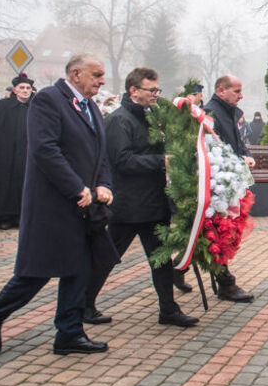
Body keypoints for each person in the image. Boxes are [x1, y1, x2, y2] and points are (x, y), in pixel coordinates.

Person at [0, 54, 119, 356]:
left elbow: (100, 153)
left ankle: (69, 333)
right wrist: (75, 186)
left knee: (78, 269)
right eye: (96, 74)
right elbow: (45, 149)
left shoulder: (92, 107)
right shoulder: (49, 101)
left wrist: (104, 184)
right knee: (36, 272)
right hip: (52, 204)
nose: (101, 81)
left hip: (84, 207)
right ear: (76, 74)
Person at [83, 68, 199, 329]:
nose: (156, 95)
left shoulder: (149, 117)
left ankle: (168, 310)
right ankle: (84, 304)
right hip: (128, 206)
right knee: (107, 258)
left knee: (160, 261)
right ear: (134, 91)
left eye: (158, 90)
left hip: (152, 204)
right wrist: (162, 161)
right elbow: (122, 161)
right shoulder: (119, 121)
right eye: (151, 90)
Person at [203, 76, 256, 302]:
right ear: (221, 90)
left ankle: (179, 269)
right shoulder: (210, 113)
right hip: (217, 186)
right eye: (237, 91)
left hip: (229, 182)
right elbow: (214, 148)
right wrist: (236, 159)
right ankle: (226, 284)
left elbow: (236, 142)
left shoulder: (229, 111)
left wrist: (246, 155)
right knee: (218, 235)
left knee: (215, 235)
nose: (241, 95)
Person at [0, 74, 35, 230]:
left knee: (24, 184)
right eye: (22, 88)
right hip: (5, 154)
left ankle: (21, 216)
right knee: (5, 184)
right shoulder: (4, 106)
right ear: (15, 90)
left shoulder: (35, 106)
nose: (25, 91)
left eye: (28, 88)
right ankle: (5, 216)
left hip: (27, 154)